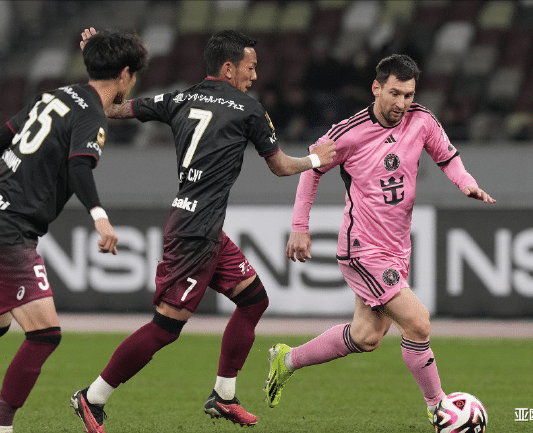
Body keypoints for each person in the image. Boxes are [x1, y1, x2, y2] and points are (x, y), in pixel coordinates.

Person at [71, 28, 335, 432]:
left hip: (198, 225)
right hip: (196, 233)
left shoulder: (179, 98)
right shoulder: (247, 109)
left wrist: (100, 71)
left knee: (254, 300)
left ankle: (224, 396)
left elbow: (117, 109)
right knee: (165, 328)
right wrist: (315, 159)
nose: (255, 75)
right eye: (250, 67)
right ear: (228, 68)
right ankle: (92, 397)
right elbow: (281, 166)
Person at [265, 54, 496, 427]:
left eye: (408, 95)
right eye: (395, 93)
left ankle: (287, 359)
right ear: (376, 88)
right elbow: (310, 170)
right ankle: (439, 408)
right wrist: (300, 226)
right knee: (418, 323)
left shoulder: (421, 120)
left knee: (366, 336)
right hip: (362, 249)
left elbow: (448, 157)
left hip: (396, 248)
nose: (402, 103)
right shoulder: (348, 133)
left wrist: (466, 183)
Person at [0, 30, 148, 433]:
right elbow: (78, 166)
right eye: (134, 75)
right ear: (125, 74)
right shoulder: (90, 113)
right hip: (9, 229)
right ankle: (0, 429)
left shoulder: (55, 95)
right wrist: (99, 216)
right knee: (45, 334)